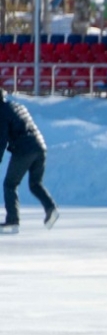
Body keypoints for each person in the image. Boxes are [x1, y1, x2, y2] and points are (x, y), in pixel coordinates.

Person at [0, 88, 57, 234]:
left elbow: (2, 139)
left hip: (24, 149)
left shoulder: (1, 112)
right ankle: (51, 209)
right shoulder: (17, 106)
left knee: (10, 184)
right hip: (40, 146)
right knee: (35, 184)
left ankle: (12, 221)